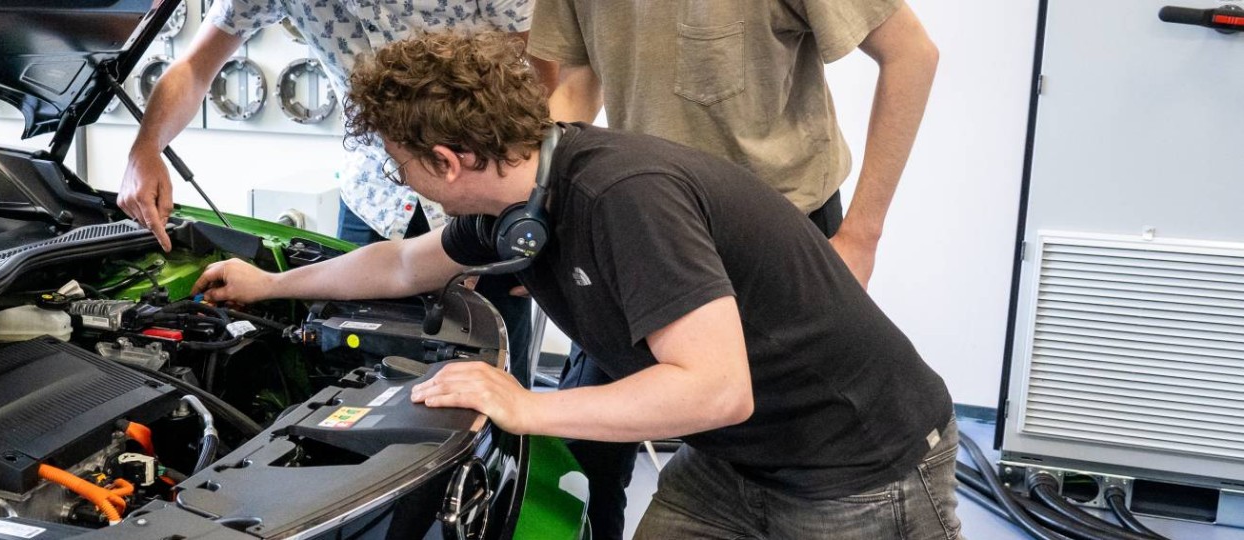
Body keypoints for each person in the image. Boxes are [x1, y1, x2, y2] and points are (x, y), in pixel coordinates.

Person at [192, 33, 960, 539]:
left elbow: (718, 389)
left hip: (860, 471)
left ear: (448, 161)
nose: (400, 181)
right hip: (737, 465)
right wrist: (269, 284)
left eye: (402, 164)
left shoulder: (623, 198)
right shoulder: (514, 201)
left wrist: (527, 405)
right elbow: (399, 264)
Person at [526, 2, 940, 536]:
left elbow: (912, 55)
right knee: (584, 456)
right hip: (640, 233)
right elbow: (580, 75)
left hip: (774, 239)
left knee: (789, 458)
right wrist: (543, 206)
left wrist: (862, 237)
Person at [114, 0, 545, 371]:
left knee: (493, 368)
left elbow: (543, 73)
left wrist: (536, 206)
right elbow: (193, 65)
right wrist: (145, 147)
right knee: (347, 359)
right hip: (375, 197)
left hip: (483, 196)